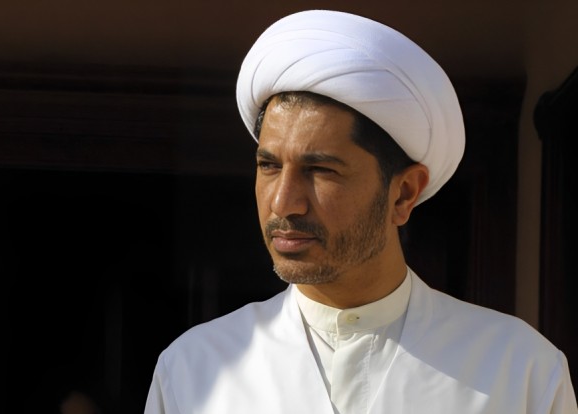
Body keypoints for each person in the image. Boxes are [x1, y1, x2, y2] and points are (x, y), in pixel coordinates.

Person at [144, 9, 577, 413]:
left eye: (320, 170)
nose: (282, 202)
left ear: (403, 194)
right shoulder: (192, 370)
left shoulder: (519, 371)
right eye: (269, 166)